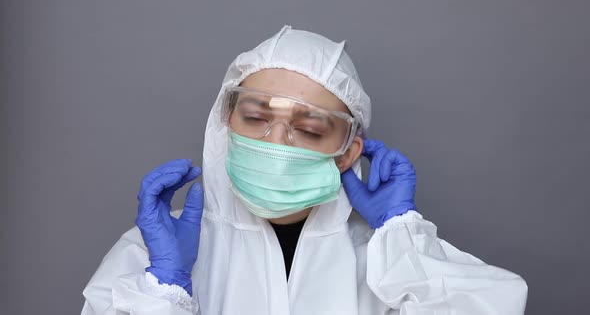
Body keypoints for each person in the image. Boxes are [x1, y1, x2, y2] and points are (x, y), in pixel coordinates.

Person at [81, 25, 528, 314]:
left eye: (310, 128)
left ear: (349, 153)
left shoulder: (385, 263)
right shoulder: (157, 256)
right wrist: (163, 290)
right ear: (224, 124)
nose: (277, 141)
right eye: (256, 119)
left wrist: (401, 237)